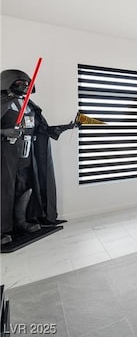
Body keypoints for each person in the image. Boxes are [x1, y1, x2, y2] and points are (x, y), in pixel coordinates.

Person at [1, 69, 77, 245]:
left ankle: (21, 222)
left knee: (26, 187)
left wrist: (63, 127)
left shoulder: (30, 106)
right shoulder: (2, 103)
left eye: (27, 84)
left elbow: (41, 129)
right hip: (6, 154)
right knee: (5, 191)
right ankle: (3, 229)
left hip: (27, 153)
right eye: (19, 83)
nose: (24, 87)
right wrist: (5, 131)